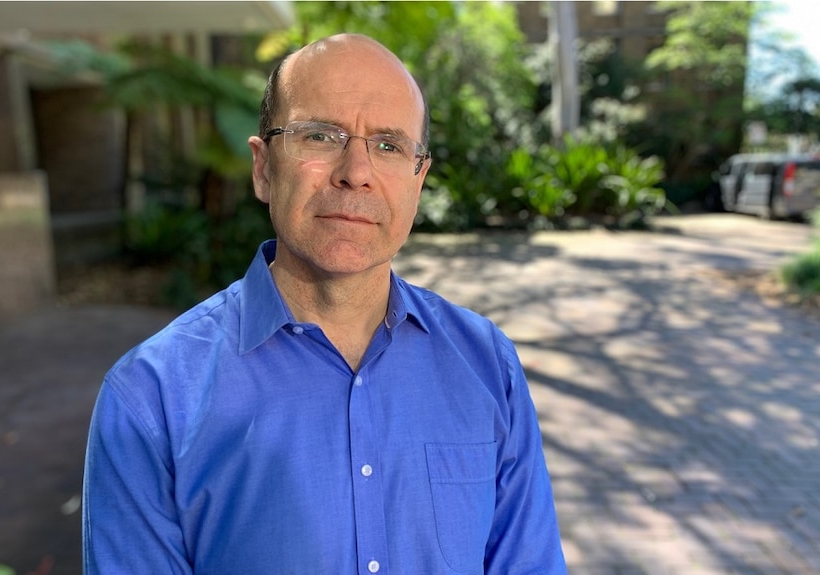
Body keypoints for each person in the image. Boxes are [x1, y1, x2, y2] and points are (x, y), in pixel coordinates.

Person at [82, 33, 567, 575]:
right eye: (320, 135)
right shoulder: (151, 398)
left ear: (418, 179)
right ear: (264, 168)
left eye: (388, 145)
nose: (355, 171)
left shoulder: (486, 364)